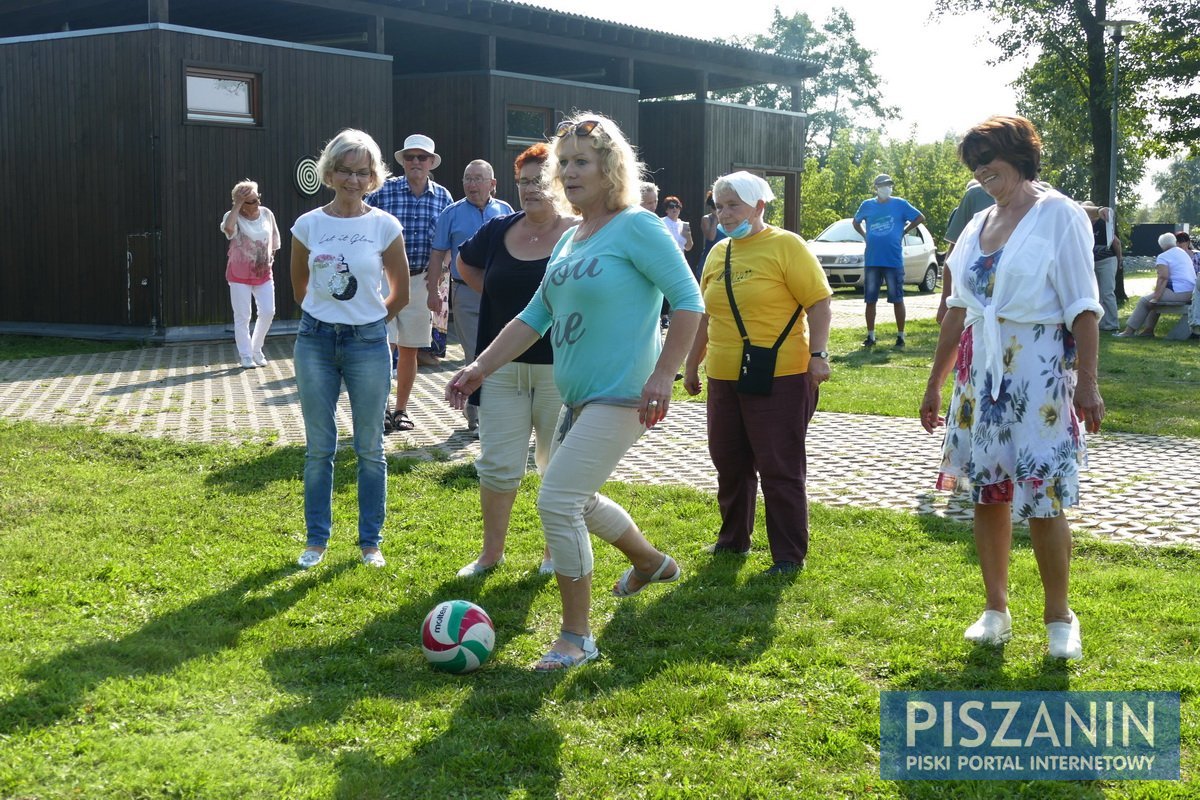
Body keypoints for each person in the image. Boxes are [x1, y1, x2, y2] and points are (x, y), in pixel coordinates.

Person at [445, 112, 703, 671]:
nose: (569, 171)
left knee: (556, 499)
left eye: (581, 161)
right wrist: (479, 369)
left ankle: (576, 637)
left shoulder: (637, 226)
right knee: (576, 499)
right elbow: (533, 317)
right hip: (580, 397)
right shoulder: (573, 238)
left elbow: (688, 300)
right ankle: (652, 562)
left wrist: (663, 375)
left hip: (625, 396)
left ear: (611, 168)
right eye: (564, 162)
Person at [920, 115, 1104, 661]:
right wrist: (935, 383)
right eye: (974, 161)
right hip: (978, 376)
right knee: (988, 492)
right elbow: (956, 309)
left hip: (1039, 371)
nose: (981, 169)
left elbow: (1083, 307)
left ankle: (1059, 618)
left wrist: (1087, 386)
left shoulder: (1059, 215)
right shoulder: (978, 224)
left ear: (1020, 156)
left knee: (1044, 497)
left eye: (989, 157)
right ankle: (995, 610)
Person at [683, 171, 832, 575]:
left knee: (779, 466)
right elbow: (703, 315)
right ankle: (733, 540)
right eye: (719, 206)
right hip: (725, 377)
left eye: (734, 205)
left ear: (759, 206)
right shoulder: (718, 252)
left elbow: (819, 303)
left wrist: (818, 355)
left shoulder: (786, 246)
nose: (725, 214)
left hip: (780, 374)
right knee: (728, 459)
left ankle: (787, 554)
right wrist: (692, 364)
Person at [290, 129, 410, 569]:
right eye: (344, 169)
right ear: (330, 172)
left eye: (362, 172)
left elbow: (400, 292)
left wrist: (368, 321)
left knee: (369, 448)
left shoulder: (383, 225)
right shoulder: (307, 225)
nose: (353, 179)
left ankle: (369, 543)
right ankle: (316, 541)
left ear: (373, 176)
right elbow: (300, 290)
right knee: (320, 448)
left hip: (368, 344)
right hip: (315, 341)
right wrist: (329, 317)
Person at [453, 143, 574, 578]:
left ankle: (552, 553)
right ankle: (490, 554)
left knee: (555, 465)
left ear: (559, 182)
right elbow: (463, 265)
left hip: (560, 368)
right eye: (523, 182)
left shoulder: (579, 233)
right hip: (500, 366)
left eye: (539, 181)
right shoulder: (499, 228)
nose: (530, 189)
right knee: (497, 465)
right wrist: (498, 293)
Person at [366, 133, 453, 433]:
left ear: (431, 162)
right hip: (384, 278)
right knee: (382, 346)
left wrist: (440, 279)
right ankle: (381, 410)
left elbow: (448, 242)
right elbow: (361, 225)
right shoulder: (381, 192)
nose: (416, 162)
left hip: (421, 280)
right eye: (410, 157)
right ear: (403, 161)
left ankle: (401, 410)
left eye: (422, 157)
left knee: (411, 349)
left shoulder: (443, 197)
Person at [426, 160, 514, 432]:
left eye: (478, 179)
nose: (471, 184)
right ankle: (475, 417)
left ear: (493, 184)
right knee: (473, 354)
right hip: (464, 292)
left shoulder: (506, 211)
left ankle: (502, 412)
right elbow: (438, 253)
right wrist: (433, 292)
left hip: (500, 293)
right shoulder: (451, 213)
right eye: (467, 179)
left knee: (502, 353)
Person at [852, 174, 925, 348]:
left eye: (889, 185)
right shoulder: (867, 205)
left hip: (893, 260)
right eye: (883, 185)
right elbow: (856, 222)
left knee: (897, 298)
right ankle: (871, 336)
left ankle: (900, 336)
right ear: (876, 187)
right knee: (870, 300)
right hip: (872, 260)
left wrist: (905, 231)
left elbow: (920, 217)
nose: (886, 188)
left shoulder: (900, 204)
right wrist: (865, 235)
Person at [220, 180, 281, 368]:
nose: (257, 204)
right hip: (239, 273)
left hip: (263, 271)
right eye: (252, 201)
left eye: (258, 199)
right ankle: (245, 355)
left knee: (268, 311)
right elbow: (229, 230)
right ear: (241, 204)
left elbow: (274, 240)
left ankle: (256, 349)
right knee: (243, 316)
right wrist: (236, 205)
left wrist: (270, 258)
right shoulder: (233, 216)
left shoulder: (267, 214)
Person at [1113, 231, 1197, 337]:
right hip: (1191, 292)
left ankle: (1128, 332)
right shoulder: (1182, 253)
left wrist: (1155, 298)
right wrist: (1156, 296)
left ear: (1161, 246)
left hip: (1179, 292)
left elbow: (1163, 277)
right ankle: (1148, 331)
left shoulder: (1163, 256)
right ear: (1174, 242)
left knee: (1145, 301)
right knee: (1154, 297)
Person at [937, 179, 993, 324]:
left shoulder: (1049, 202)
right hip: (973, 302)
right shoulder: (975, 196)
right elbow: (953, 251)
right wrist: (945, 299)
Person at [1081, 201, 1123, 331]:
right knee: (1095, 293)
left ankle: (1112, 324)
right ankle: (1100, 323)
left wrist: (1119, 259)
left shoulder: (1103, 224)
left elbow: (1116, 242)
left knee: (1107, 292)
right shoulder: (1083, 225)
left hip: (1107, 261)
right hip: (1092, 262)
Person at [698, 190, 727, 273]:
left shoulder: (727, 219)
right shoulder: (706, 219)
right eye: (714, 207)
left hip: (724, 257)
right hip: (710, 256)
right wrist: (715, 218)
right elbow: (711, 237)